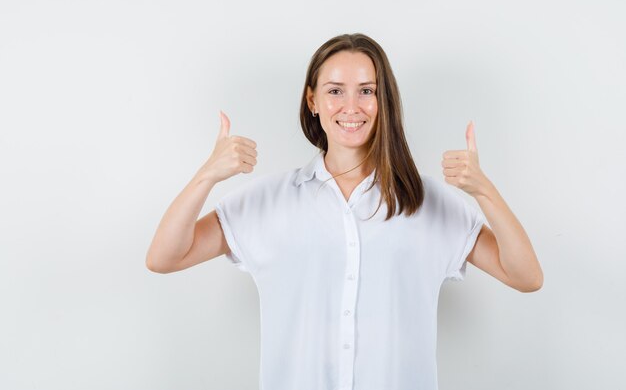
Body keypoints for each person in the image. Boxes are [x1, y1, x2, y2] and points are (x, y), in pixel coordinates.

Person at [145, 33, 543, 390]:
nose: (351, 106)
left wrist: (483, 191)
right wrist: (208, 175)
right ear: (312, 100)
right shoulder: (266, 201)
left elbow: (526, 276)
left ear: (382, 100)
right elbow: (165, 257)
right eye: (335, 91)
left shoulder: (427, 203)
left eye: (366, 90)